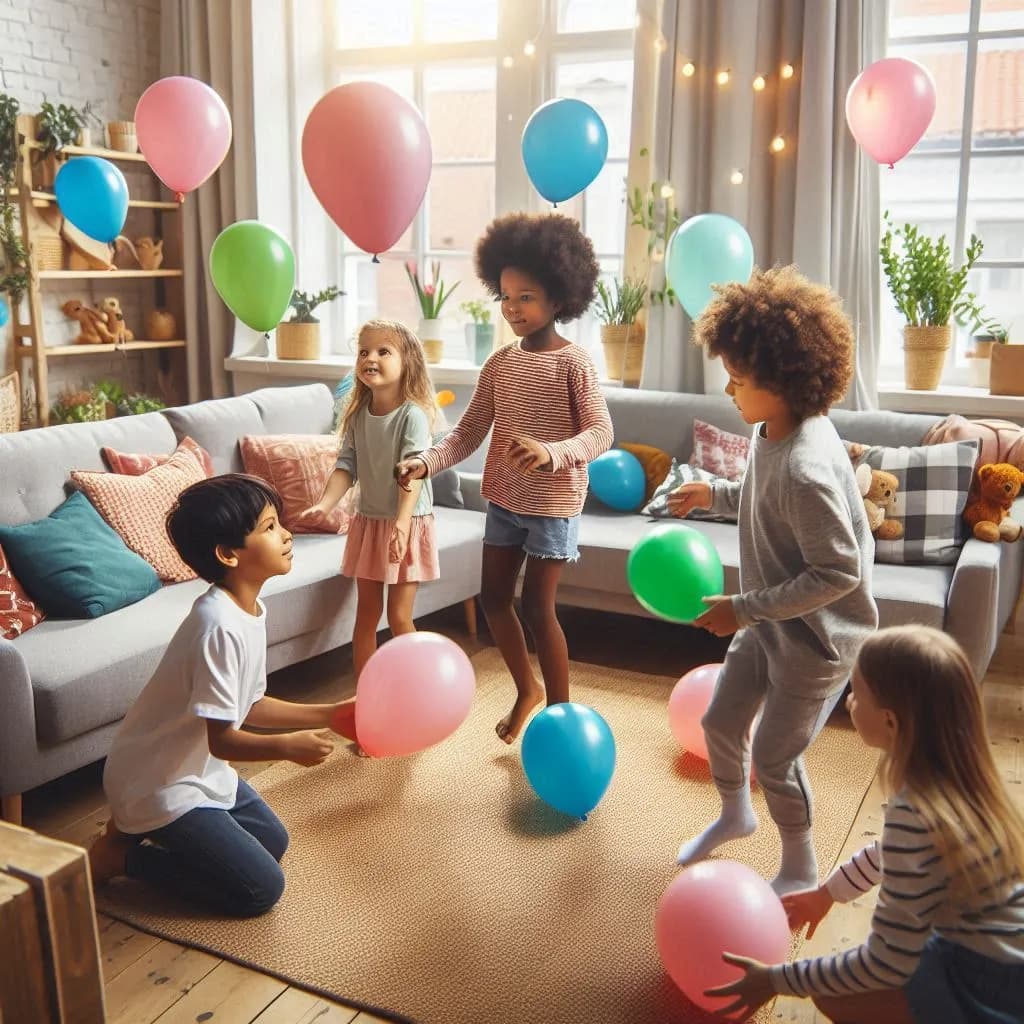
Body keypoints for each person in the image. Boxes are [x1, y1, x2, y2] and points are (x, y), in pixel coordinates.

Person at [669, 265, 878, 895]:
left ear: (783, 383)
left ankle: (800, 866)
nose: (729, 388)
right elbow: (766, 500)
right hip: (768, 624)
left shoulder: (810, 466)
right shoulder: (770, 431)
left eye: (738, 378)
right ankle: (736, 814)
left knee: (776, 758)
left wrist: (743, 607)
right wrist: (719, 491)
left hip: (818, 642)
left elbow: (839, 571)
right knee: (719, 723)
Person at [707, 626, 1024, 1024]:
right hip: (999, 956)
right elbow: (887, 854)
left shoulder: (916, 812)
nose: (849, 703)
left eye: (856, 693)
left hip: (986, 979)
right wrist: (827, 894)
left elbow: (885, 964)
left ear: (890, 721)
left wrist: (777, 979)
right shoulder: (958, 781)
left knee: (831, 995)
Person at [396, 212, 612, 743]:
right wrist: (426, 461)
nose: (514, 309)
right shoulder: (498, 364)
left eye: (527, 297)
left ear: (559, 300)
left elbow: (602, 432)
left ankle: (561, 719)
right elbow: (468, 432)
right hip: (505, 500)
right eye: (507, 297)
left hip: (554, 503)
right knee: (494, 600)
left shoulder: (574, 364)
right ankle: (526, 689)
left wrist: (552, 452)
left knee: (539, 609)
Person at [88, 475, 345, 916]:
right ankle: (123, 854)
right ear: (228, 554)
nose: (286, 535)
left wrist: (332, 713)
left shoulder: (246, 608)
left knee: (274, 842)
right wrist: (285, 747)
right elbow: (223, 740)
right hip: (158, 781)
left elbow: (252, 704)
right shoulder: (218, 625)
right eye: (268, 527)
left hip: (195, 770)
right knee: (261, 889)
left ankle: (129, 829)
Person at [304, 318, 439, 691]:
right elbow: (346, 466)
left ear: (406, 361)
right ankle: (366, 697)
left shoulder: (412, 415)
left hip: (407, 522)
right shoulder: (358, 415)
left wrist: (400, 524)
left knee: (398, 616)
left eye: (383, 351)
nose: (370, 358)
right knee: (366, 616)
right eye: (364, 351)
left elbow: (413, 473)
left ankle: (418, 692)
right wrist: (325, 504)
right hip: (368, 523)